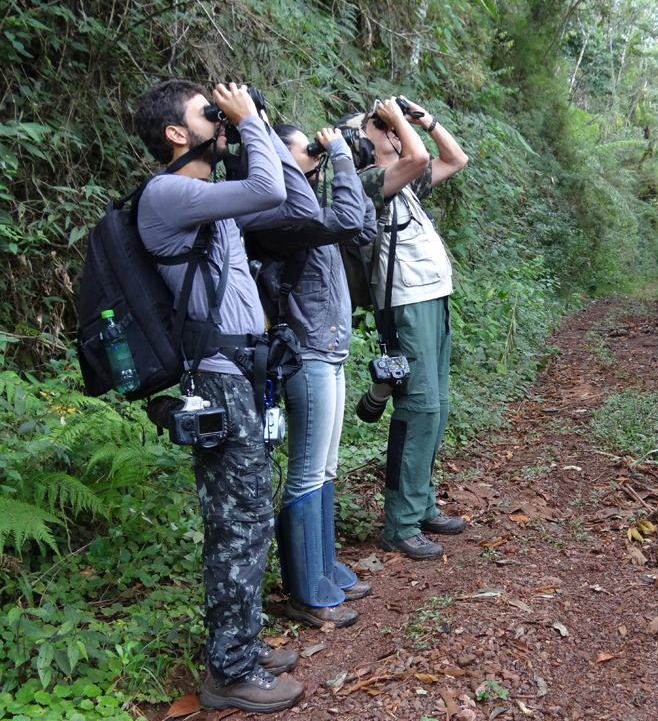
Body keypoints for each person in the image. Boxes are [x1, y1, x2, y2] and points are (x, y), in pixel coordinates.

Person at [134, 80, 317, 713]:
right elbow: (268, 187)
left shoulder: (206, 198)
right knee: (237, 523)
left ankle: (241, 643)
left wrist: (251, 129)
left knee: (247, 517)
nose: (223, 117)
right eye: (206, 113)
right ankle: (229, 672)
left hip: (240, 373)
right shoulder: (168, 193)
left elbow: (294, 203)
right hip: (215, 376)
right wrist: (249, 124)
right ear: (176, 135)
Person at [245, 124, 377, 627]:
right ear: (279, 155)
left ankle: (322, 568)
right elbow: (345, 219)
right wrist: (341, 152)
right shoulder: (279, 211)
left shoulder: (307, 210)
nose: (317, 155)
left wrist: (349, 167)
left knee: (324, 468)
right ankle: (305, 591)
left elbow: (360, 227)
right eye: (310, 149)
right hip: (305, 353)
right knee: (304, 470)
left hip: (329, 349)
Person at [337, 96, 468, 560]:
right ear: (360, 142)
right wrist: (395, 122)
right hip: (405, 306)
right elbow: (416, 158)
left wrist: (425, 120)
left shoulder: (407, 185)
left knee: (439, 407)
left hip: (434, 298)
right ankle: (401, 522)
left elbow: (455, 159)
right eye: (376, 125)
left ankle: (423, 503)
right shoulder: (367, 182)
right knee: (419, 409)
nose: (388, 128)